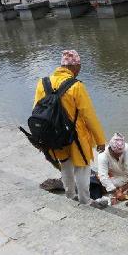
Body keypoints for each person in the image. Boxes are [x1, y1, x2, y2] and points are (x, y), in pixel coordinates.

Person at [33, 50, 108, 208]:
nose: (79, 70)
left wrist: (40, 138)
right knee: (82, 168)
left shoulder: (43, 83)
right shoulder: (76, 86)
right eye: (79, 67)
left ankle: (70, 195)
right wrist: (100, 140)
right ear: (74, 67)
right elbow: (89, 116)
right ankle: (85, 201)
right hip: (75, 136)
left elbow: (36, 110)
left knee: (65, 164)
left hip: (53, 134)